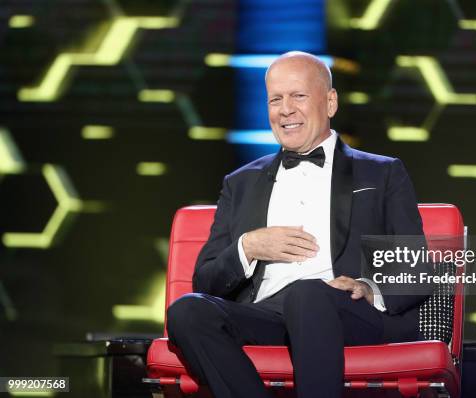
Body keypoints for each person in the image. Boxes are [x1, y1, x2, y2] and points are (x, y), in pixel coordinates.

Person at [166, 51, 431, 398]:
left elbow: (418, 268)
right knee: (187, 312)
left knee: (308, 294)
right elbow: (206, 280)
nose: (285, 109)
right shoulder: (241, 182)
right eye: (276, 99)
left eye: (298, 96)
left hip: (346, 311)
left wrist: (368, 287)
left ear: (331, 102)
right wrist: (249, 246)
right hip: (268, 313)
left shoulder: (382, 172)